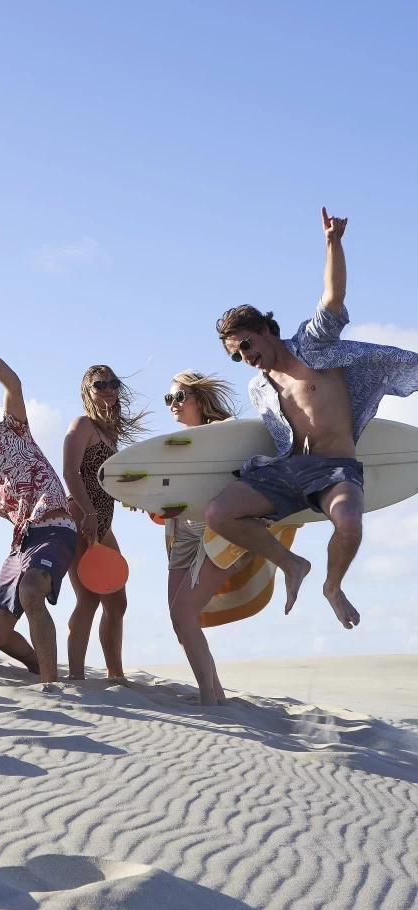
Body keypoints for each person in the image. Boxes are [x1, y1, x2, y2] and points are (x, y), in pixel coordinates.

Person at [207, 207, 418, 630]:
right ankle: (291, 564)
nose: (245, 358)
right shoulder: (259, 388)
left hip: (337, 468)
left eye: (246, 345)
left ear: (267, 328)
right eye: (236, 355)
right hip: (289, 471)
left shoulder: (313, 345)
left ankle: (333, 587)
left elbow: (332, 297)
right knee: (218, 514)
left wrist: (332, 243)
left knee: (349, 524)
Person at [0, 327, 76, 688]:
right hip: (21, 545)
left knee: (32, 590)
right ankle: (40, 665)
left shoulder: (14, 435)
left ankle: (52, 688)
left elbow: (14, 385)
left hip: (55, 529)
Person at [62, 365, 149, 681]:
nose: (109, 388)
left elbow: (107, 479)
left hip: (102, 521)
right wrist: (87, 514)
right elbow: (71, 473)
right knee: (88, 598)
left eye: (113, 383)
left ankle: (115, 674)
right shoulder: (82, 424)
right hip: (80, 517)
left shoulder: (109, 432)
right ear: (88, 390)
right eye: (101, 384)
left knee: (117, 600)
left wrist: (136, 490)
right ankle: (75, 678)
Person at [161, 372, 239, 704]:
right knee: (181, 621)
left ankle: (208, 698)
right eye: (170, 399)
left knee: (183, 614)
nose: (174, 404)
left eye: (181, 396)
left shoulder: (225, 433)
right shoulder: (173, 447)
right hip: (182, 535)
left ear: (199, 399)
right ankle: (216, 693)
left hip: (218, 534)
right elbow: (169, 497)